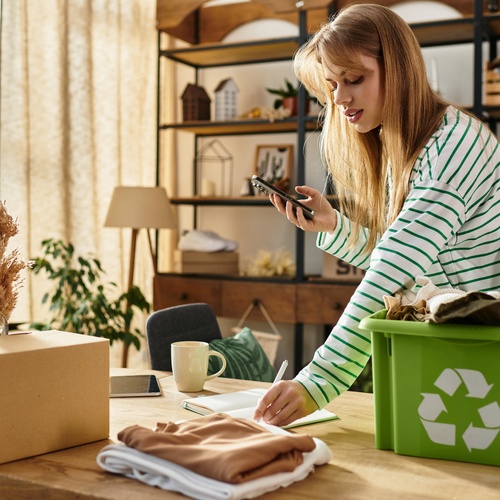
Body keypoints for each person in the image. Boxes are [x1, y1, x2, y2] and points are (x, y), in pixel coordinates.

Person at [253, 3, 500, 427]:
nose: (340, 98)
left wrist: (318, 382)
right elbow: (414, 267)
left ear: (399, 68)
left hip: (482, 349)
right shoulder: (402, 149)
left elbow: (394, 269)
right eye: (332, 84)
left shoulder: (454, 144)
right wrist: (335, 226)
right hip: (455, 345)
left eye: (354, 79)